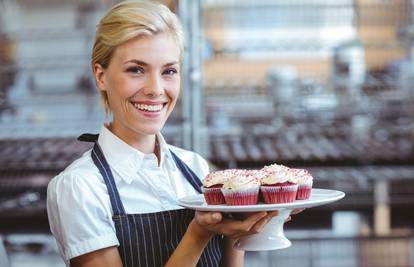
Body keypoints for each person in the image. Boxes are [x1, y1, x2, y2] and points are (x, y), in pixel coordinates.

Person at [47, 1, 287, 266]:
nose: (156, 89)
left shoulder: (196, 168)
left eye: (169, 71)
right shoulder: (81, 187)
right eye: (136, 70)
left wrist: (243, 224)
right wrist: (198, 233)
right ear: (101, 75)